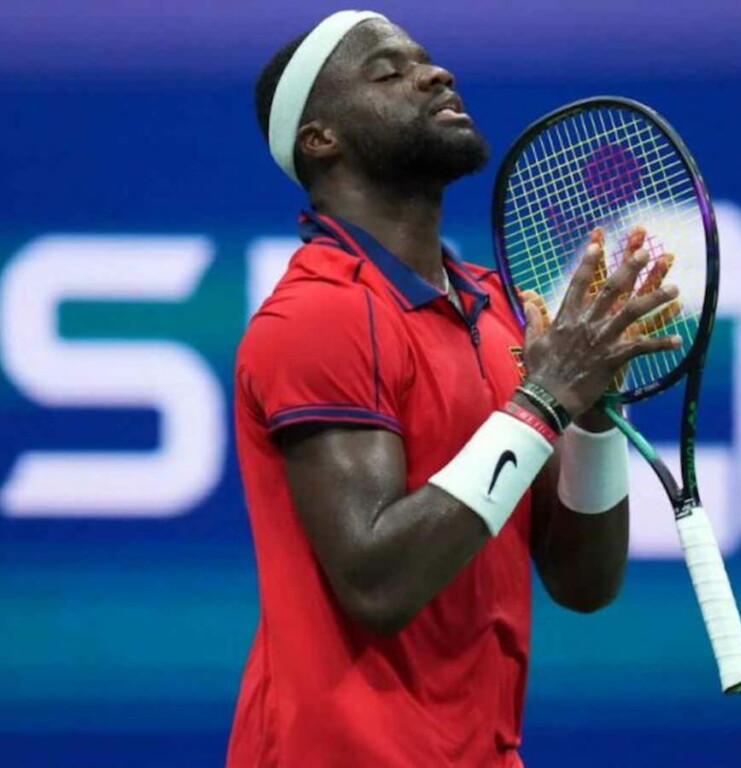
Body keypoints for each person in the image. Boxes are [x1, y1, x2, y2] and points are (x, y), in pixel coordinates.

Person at [227, 10, 681, 767]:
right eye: (387, 71)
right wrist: (542, 402)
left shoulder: (498, 308)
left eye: (428, 60)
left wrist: (593, 413)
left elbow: (583, 580)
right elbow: (377, 581)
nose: (435, 75)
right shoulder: (319, 314)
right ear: (320, 139)